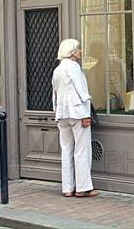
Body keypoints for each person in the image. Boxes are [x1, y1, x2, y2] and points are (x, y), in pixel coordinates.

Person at [52, 38, 100, 198]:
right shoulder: (73, 67)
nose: (80, 51)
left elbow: (55, 94)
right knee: (82, 150)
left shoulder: (58, 70)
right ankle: (83, 187)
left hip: (62, 114)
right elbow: (82, 92)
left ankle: (67, 188)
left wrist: (57, 112)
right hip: (77, 113)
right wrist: (86, 114)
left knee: (66, 150)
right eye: (78, 48)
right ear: (72, 51)